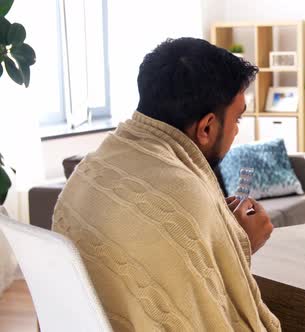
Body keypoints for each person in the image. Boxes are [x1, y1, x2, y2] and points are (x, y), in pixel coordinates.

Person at [52, 38, 280, 331]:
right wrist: (242, 243)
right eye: (237, 118)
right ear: (207, 128)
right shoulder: (186, 196)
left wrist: (221, 233)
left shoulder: (92, 168)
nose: (237, 130)